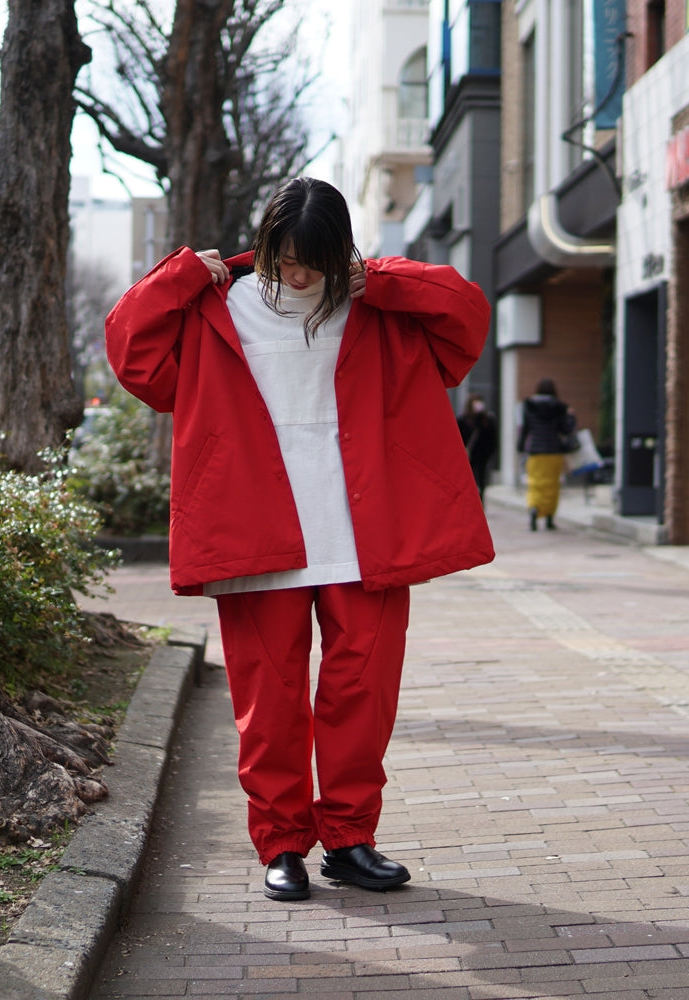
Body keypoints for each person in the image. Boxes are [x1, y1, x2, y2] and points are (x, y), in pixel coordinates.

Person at [105, 177, 493, 902]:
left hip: (364, 536)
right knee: (268, 701)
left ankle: (350, 839)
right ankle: (280, 844)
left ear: (340, 251)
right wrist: (182, 271)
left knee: (362, 694)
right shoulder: (220, 307)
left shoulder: (377, 306)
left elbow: (466, 314)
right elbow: (132, 353)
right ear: (268, 244)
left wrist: (381, 278)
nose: (299, 275)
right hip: (255, 532)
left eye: (314, 260)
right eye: (285, 257)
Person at [516, 377, 575, 531]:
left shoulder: (528, 406)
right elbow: (566, 429)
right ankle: (549, 517)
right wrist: (570, 416)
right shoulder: (560, 407)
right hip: (555, 451)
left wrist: (521, 447)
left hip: (536, 451)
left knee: (535, 483)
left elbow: (525, 429)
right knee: (552, 485)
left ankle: (534, 509)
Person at [456, 393, 497, 501]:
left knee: (482, 479)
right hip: (467, 455)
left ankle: (480, 501)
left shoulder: (486, 420)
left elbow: (492, 437)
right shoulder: (462, 420)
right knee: (469, 479)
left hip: (482, 454)